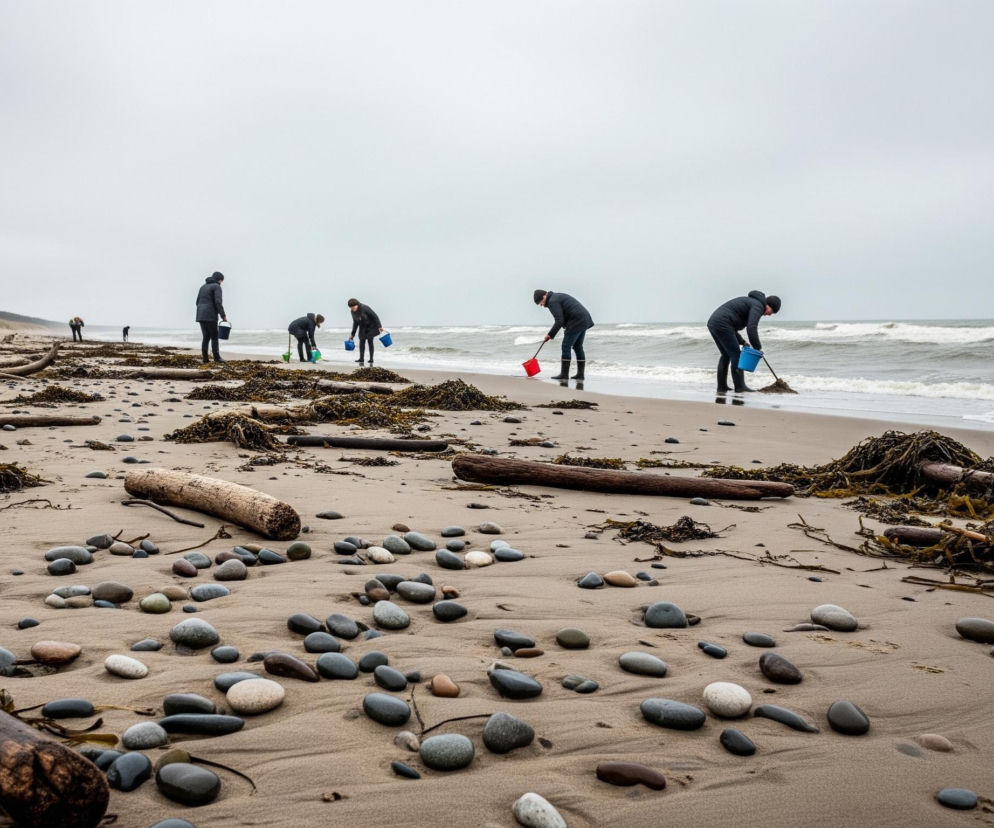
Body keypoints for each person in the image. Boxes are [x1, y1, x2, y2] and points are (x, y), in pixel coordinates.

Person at [707, 290, 781, 393]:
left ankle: (722, 387)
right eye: (771, 312)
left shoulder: (752, 303)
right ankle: (740, 387)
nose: (769, 315)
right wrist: (758, 347)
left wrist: (742, 342)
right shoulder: (758, 306)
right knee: (736, 355)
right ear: (768, 305)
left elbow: (732, 329)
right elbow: (751, 328)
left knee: (726, 355)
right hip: (722, 323)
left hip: (714, 322)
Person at [533, 289, 594, 380]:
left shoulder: (552, 301)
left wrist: (550, 334)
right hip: (584, 319)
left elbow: (559, 320)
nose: (541, 305)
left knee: (566, 346)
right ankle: (580, 375)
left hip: (576, 320)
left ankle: (564, 374)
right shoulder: (556, 297)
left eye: (540, 302)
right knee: (578, 346)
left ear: (544, 296)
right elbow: (564, 317)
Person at [195, 272, 228, 363]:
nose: (221, 283)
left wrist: (202, 310)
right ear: (220, 279)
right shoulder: (217, 286)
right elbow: (218, 302)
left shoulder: (203, 287)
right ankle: (217, 358)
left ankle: (205, 358)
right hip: (210, 315)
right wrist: (223, 315)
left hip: (200, 314)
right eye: (221, 280)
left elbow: (197, 302)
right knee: (214, 336)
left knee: (206, 336)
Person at [347, 298, 383, 365]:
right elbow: (355, 323)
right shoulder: (352, 312)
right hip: (362, 327)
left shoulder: (365, 308)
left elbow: (375, 317)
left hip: (371, 327)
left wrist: (379, 326)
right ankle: (361, 358)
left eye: (354, 307)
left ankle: (371, 359)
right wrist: (352, 334)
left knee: (370, 341)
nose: (352, 309)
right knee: (361, 341)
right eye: (351, 307)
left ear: (357, 304)